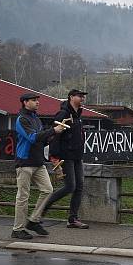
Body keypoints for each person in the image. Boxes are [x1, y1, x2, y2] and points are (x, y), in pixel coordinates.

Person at [12, 92, 65, 239]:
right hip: (24, 163)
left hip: (38, 161)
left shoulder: (35, 118)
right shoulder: (21, 119)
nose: (37, 102)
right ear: (25, 102)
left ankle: (33, 221)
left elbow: (41, 140)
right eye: (34, 100)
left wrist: (54, 135)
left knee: (48, 190)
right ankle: (17, 229)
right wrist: (53, 130)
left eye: (37, 100)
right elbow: (32, 138)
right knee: (23, 197)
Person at [42, 89, 89, 228]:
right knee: (70, 187)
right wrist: (54, 157)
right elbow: (54, 136)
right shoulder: (63, 114)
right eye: (79, 96)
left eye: (83, 96)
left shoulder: (78, 115)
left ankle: (72, 219)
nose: (82, 99)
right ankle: (41, 210)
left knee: (79, 187)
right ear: (71, 97)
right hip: (66, 156)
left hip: (77, 156)